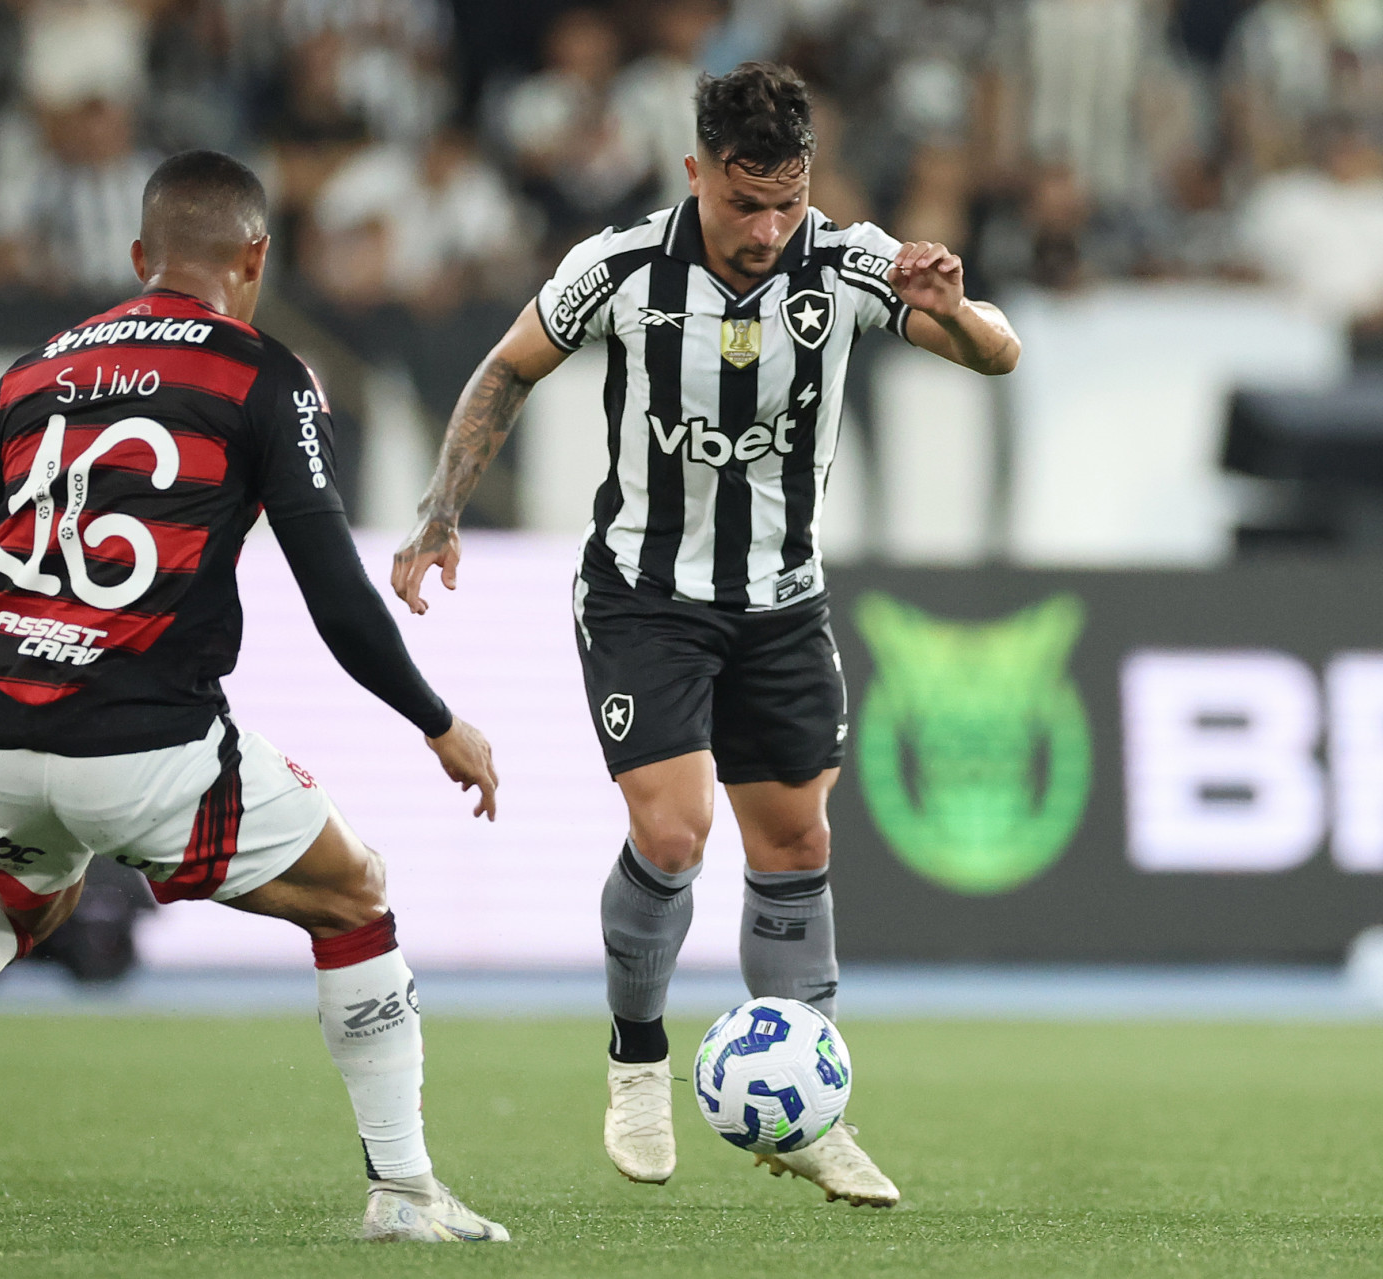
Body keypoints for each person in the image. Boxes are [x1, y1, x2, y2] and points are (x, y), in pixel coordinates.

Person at [0, 149, 510, 1245]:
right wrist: (438, 720)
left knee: (23, 902)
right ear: (256, 258)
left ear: (141, 254)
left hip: (3, 735)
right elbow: (335, 592)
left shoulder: (28, 376)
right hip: (147, 742)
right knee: (355, 894)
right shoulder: (265, 376)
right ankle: (406, 1189)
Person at [390, 63, 1020, 1207]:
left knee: (795, 842)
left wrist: (955, 308)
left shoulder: (851, 263)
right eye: (744, 203)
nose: (768, 230)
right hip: (647, 596)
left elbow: (997, 355)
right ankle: (637, 1065)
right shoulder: (622, 267)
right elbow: (509, 366)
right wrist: (441, 510)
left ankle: (811, 1114)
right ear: (696, 174)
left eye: (788, 202)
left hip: (782, 603)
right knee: (674, 833)